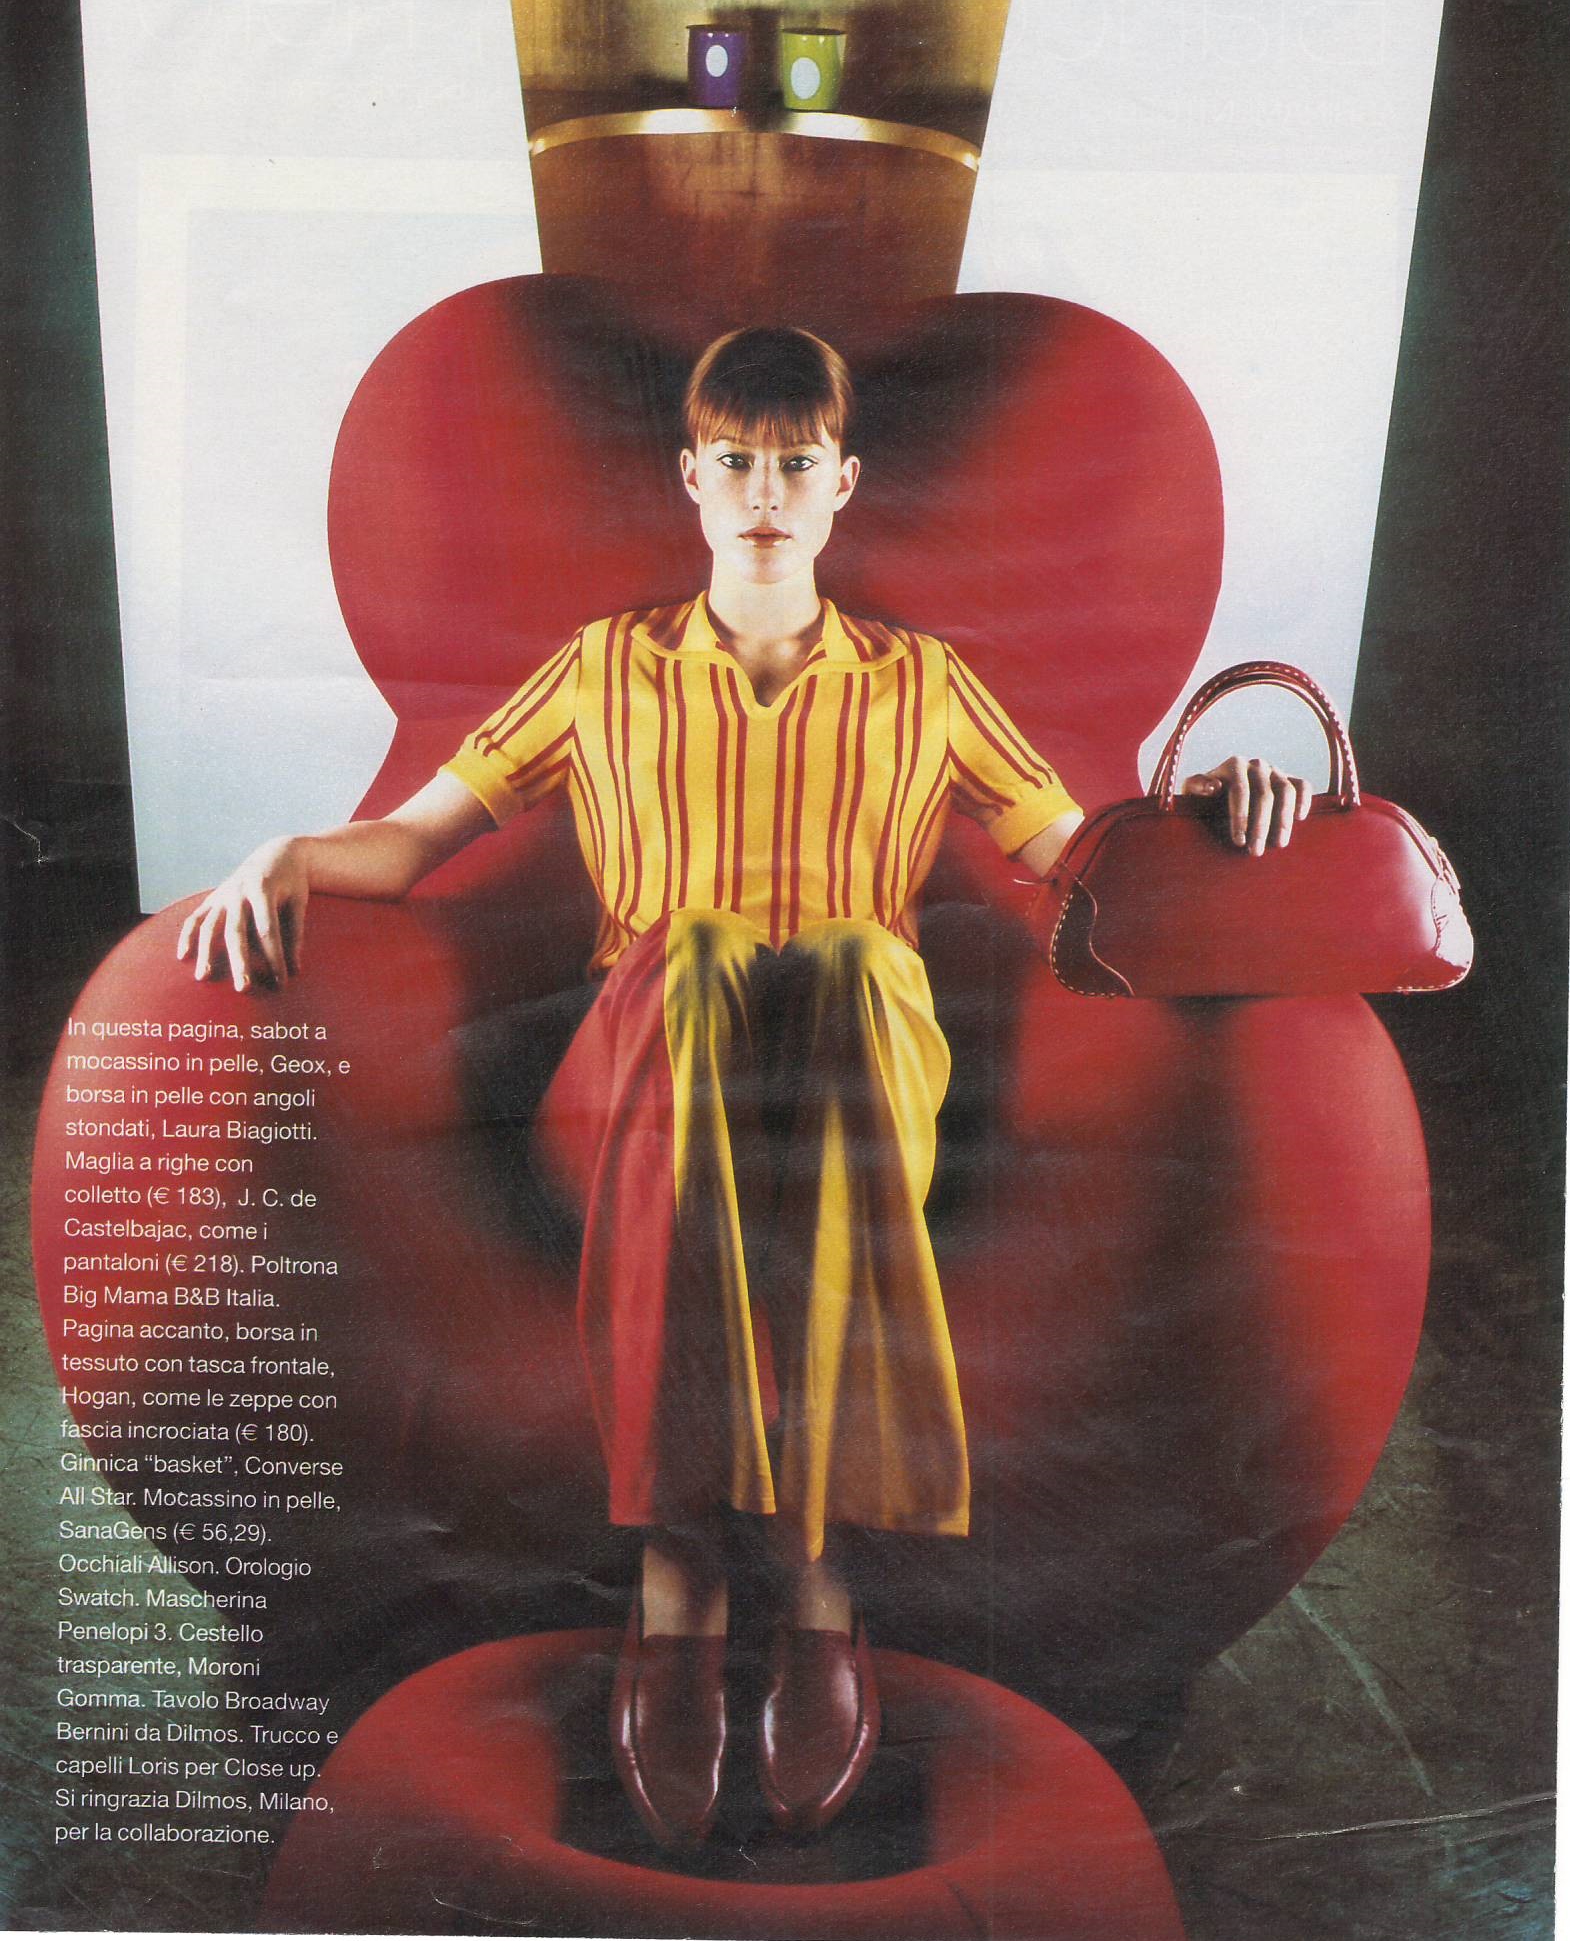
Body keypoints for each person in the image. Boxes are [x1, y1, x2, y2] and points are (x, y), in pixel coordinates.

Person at [177, 326, 1311, 1852]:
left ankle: (820, 1577)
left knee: (850, 956)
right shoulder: (603, 668)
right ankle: (683, 1572)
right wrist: (289, 852)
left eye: (793, 463)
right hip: (636, 1091)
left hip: (853, 1099)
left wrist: (1220, 805)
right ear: (689, 478)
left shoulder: (922, 683)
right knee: (699, 944)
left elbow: (1086, 863)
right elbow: (413, 839)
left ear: (841, 483)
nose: (763, 493)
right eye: (735, 462)